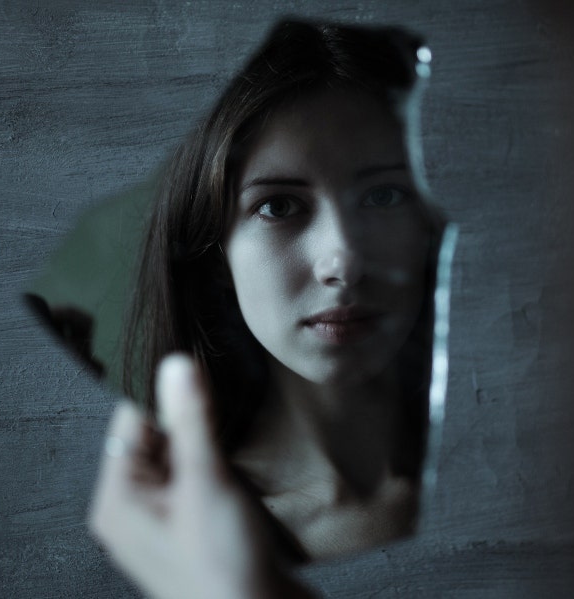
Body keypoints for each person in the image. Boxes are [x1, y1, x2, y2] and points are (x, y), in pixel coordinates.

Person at [89, 19, 444, 596]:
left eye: (384, 194)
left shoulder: (553, 465)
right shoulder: (170, 543)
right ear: (213, 251)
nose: (344, 261)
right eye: (279, 207)